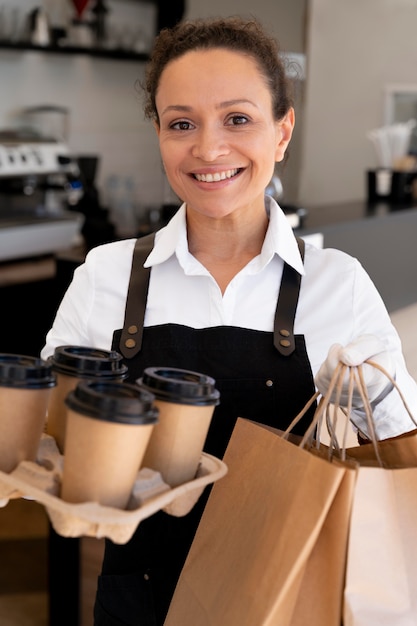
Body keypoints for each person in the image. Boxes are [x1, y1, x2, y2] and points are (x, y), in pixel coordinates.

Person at [41, 15, 417, 625]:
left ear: (282, 130)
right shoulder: (106, 277)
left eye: (238, 119)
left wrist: (370, 394)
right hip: (136, 596)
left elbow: (399, 446)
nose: (209, 149)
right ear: (159, 134)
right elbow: (50, 433)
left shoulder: (336, 285)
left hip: (280, 593)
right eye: (181, 123)